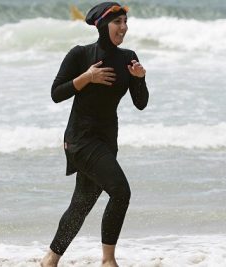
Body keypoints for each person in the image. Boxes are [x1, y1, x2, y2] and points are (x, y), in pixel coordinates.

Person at [41, 2, 149, 267]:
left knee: (81, 206)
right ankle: (108, 261)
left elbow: (141, 103)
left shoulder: (128, 57)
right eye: (117, 23)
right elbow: (56, 93)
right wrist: (86, 77)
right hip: (80, 138)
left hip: (106, 140)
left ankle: (50, 260)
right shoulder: (81, 54)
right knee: (121, 192)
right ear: (102, 25)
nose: (123, 28)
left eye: (125, 22)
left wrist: (139, 78)